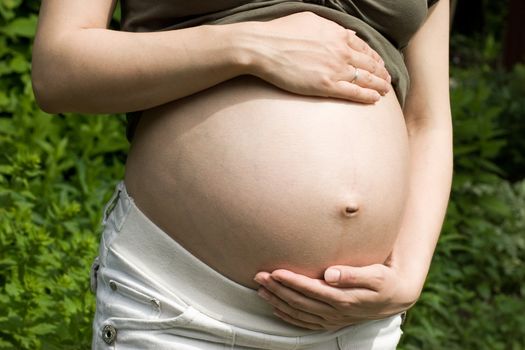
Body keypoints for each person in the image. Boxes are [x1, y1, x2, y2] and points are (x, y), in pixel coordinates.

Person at [31, 0, 451, 348]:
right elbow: (58, 69)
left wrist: (409, 276)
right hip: (181, 308)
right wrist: (248, 45)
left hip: (354, 326)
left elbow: (426, 119)